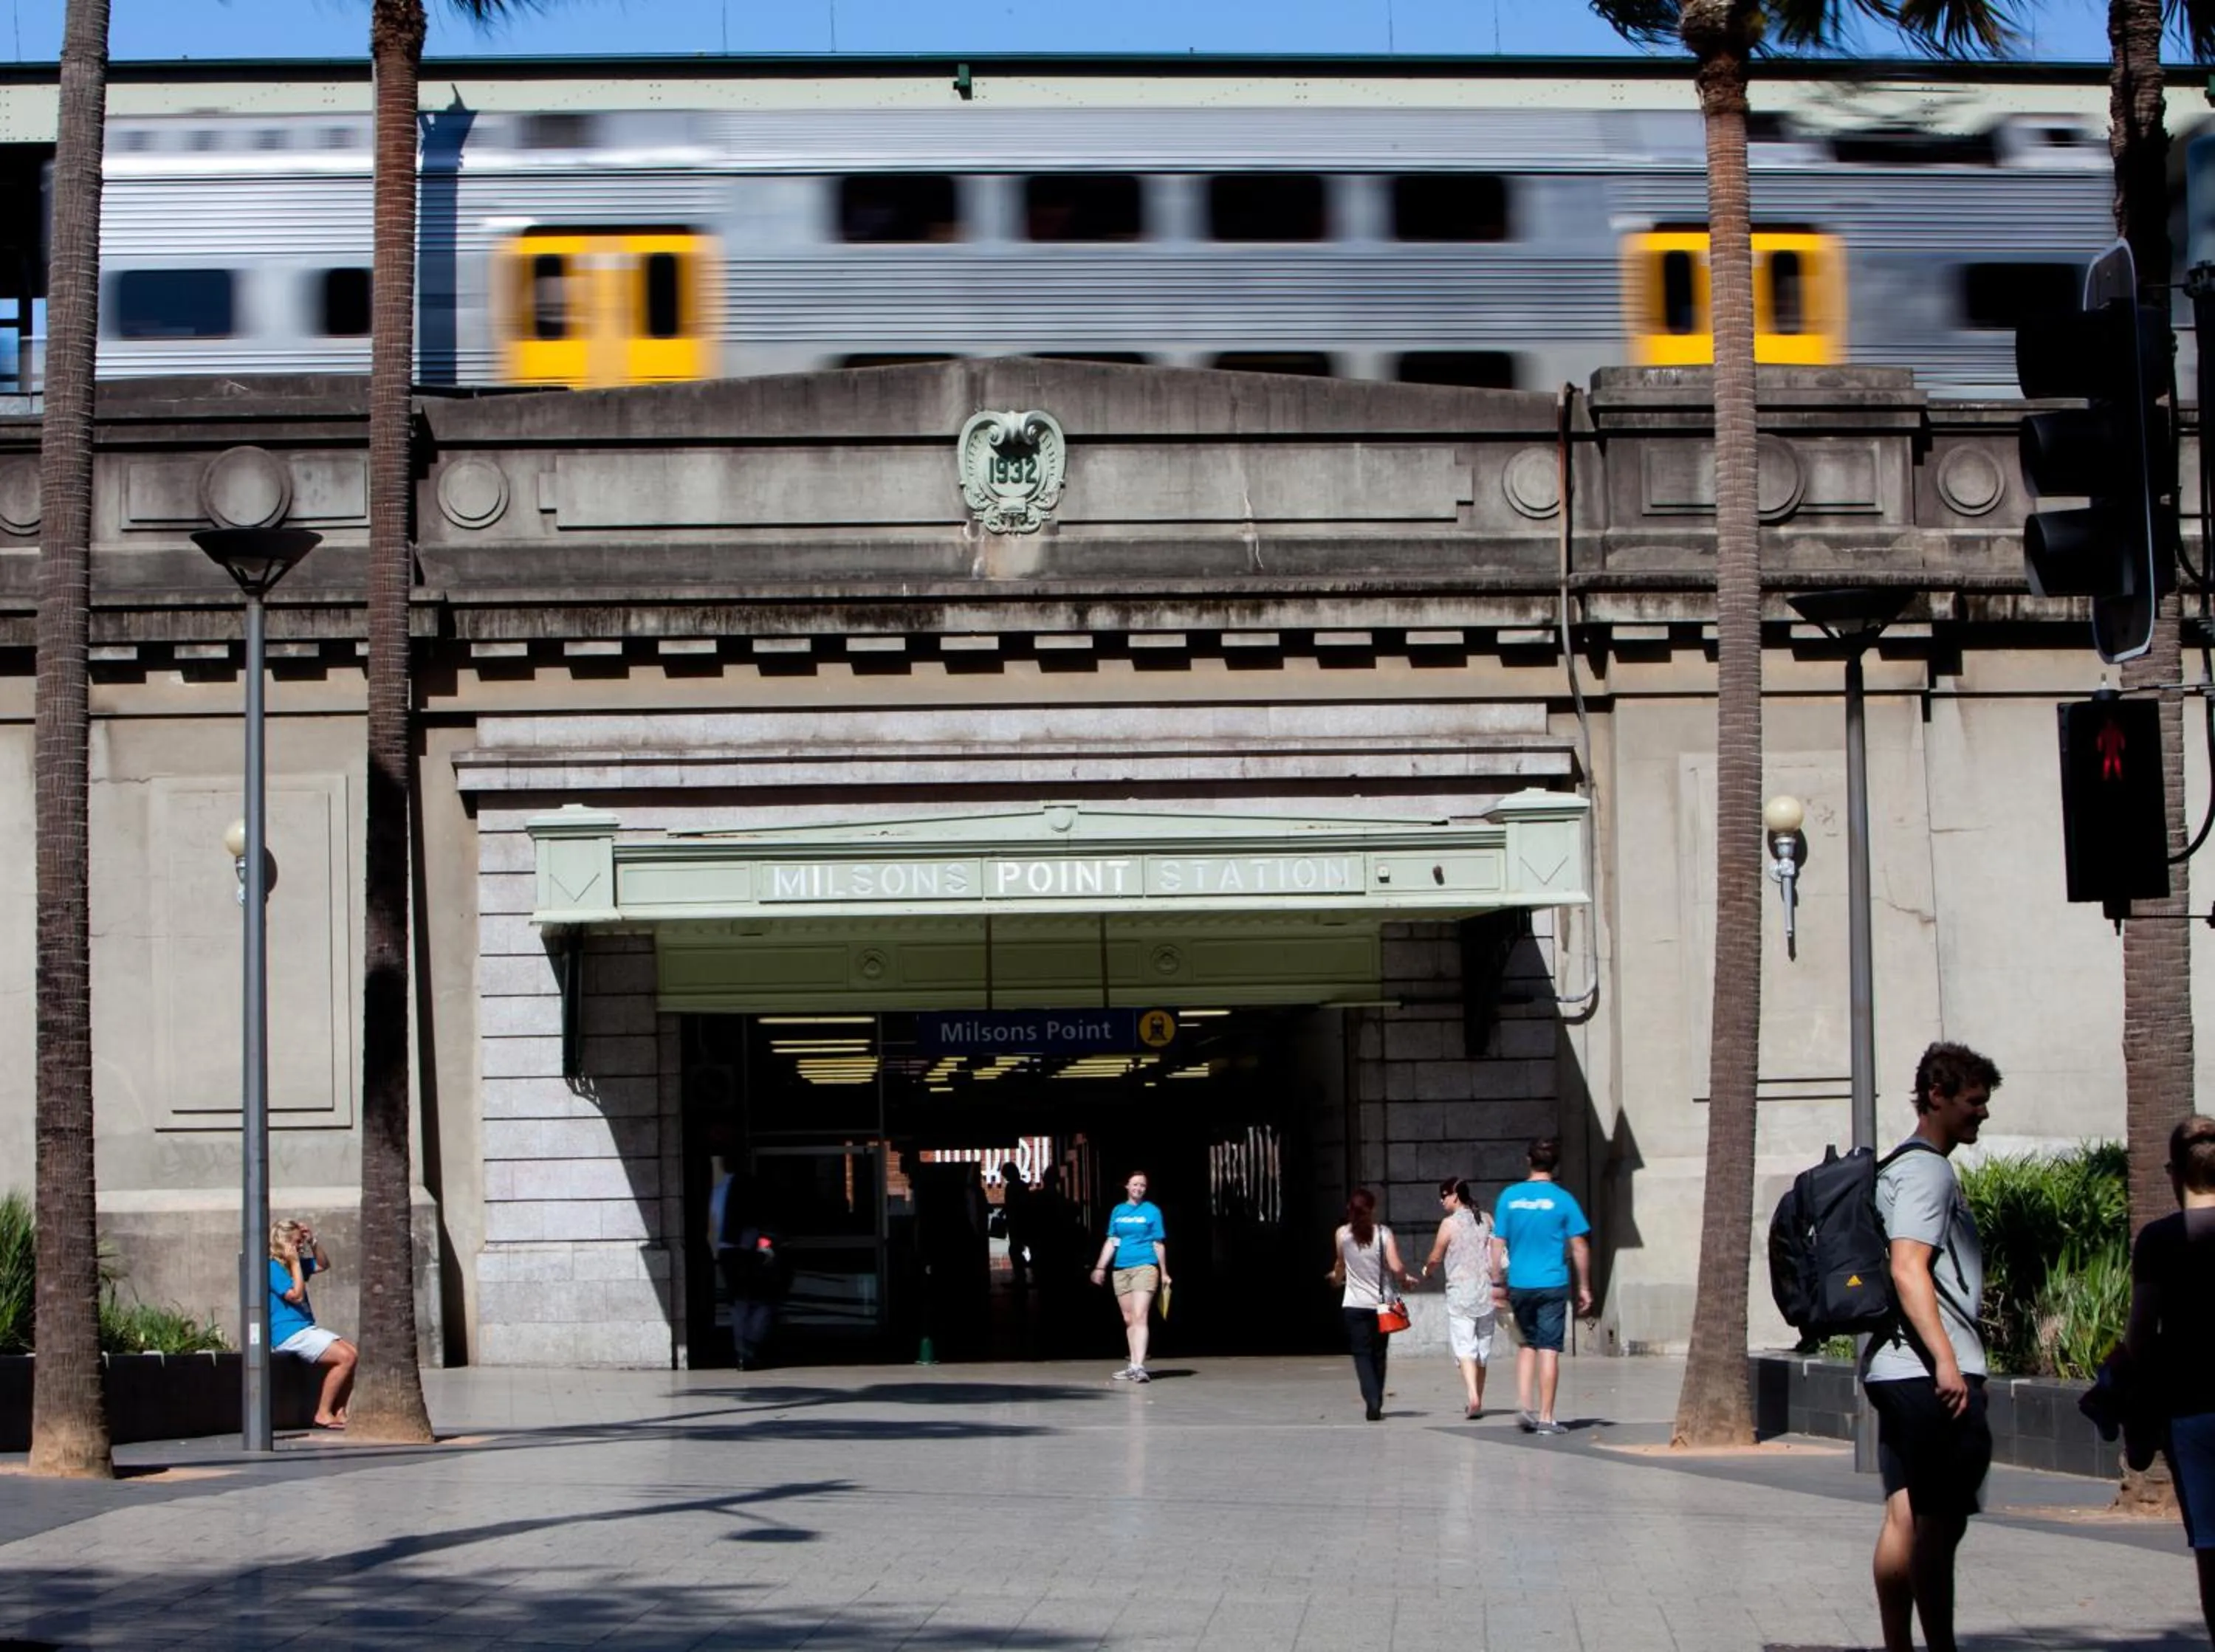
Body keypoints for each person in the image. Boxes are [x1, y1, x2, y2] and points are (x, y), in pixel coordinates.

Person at [1865, 1041, 2002, 1652]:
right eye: (1974, 1102)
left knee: (1904, 1516)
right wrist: (1947, 1360)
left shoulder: (1896, 1167)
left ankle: (1902, 1648)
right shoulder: (1928, 1171)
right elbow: (1907, 1267)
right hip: (1928, 1376)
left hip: (1893, 1370)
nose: (1982, 1114)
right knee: (1937, 1526)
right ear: (1936, 1097)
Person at [2122, 1114, 2215, 1642]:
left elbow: (2140, 1334)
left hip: (2192, 1410)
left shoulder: (2159, 1240)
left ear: (2172, 1172)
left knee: (2211, 1543)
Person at [1493, 1137, 1592, 1436]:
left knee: (1526, 1346)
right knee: (1549, 1349)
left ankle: (1525, 1406)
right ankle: (1547, 1418)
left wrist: (1496, 1280)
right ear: (1555, 1164)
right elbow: (1579, 1247)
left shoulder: (1509, 1197)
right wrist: (1585, 1286)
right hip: (1552, 1282)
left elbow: (1497, 1242)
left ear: (1528, 1160)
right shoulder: (1563, 1199)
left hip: (1520, 1283)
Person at [1420, 1177, 1505, 1419]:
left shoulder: (1449, 1225)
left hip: (1461, 1295)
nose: (1441, 1201)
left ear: (1455, 1196)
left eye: (1443, 1196)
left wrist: (1427, 1270)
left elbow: (1436, 1256)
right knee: (1482, 1350)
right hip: (1487, 1293)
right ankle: (1479, 1397)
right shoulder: (1487, 1219)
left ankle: (1473, 1398)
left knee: (1465, 1348)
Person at [1330, 1188, 1415, 1422]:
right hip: (1381, 1306)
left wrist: (1336, 1279)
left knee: (1361, 1354)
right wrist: (1405, 1279)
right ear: (1373, 1209)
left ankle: (1372, 1400)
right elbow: (1397, 1268)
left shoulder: (1342, 1235)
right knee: (1379, 1353)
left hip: (1354, 1305)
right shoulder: (1383, 1234)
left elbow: (1340, 1264)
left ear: (1350, 1209)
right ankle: (1377, 1395)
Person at [269, 1218, 355, 1431]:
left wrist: (313, 1242)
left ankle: (340, 1411)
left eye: (301, 1242)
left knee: (353, 1353)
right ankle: (323, 1413)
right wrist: (296, 1263)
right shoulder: (272, 1267)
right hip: (288, 1332)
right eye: (297, 1242)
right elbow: (296, 1296)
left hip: (305, 1327)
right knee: (346, 1357)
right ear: (285, 1242)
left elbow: (322, 1264)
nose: (300, 1246)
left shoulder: (292, 1264)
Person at [1090, 1170, 1169, 1383]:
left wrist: (1164, 1272)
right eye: (1135, 1184)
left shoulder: (1152, 1211)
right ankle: (1133, 1365)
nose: (1138, 1188)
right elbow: (1112, 1241)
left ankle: (1139, 1366)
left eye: (1142, 1185)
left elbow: (1158, 1243)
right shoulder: (1118, 1211)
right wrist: (1100, 1267)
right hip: (1121, 1269)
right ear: (1127, 1186)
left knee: (1140, 1315)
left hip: (1145, 1266)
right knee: (1128, 1318)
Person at [713, 1172, 786, 1371]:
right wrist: (765, 1251)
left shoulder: (719, 1192)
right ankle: (748, 1348)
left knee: (740, 1305)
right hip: (745, 1253)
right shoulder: (750, 1195)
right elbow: (763, 1228)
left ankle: (743, 1352)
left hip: (729, 1252)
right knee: (761, 1303)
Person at [998, 1158, 1034, 1292]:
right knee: (1017, 1250)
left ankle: (1020, 1278)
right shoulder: (1023, 1186)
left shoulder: (1011, 1187)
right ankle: (1021, 1277)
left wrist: (1004, 1213)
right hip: (1023, 1223)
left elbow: (1011, 1206)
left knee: (1014, 1251)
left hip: (1016, 1224)